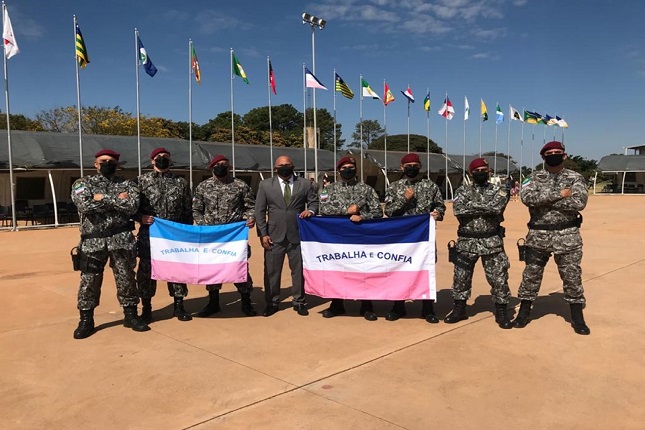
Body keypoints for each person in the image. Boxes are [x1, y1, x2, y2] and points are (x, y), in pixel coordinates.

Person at [70, 149, 149, 339]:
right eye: (103, 160)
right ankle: (86, 320)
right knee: (89, 281)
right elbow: (84, 206)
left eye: (111, 161)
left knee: (126, 278)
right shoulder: (82, 183)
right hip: (93, 240)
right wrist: (116, 200)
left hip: (121, 239)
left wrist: (101, 198)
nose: (107, 163)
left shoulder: (128, 184)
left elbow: (131, 207)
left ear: (117, 165)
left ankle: (130, 315)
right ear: (96, 164)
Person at [513, 141, 590, 335]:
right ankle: (523, 312)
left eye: (558, 152)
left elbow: (579, 202)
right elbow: (528, 198)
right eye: (550, 153)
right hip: (539, 235)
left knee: (572, 276)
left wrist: (545, 201)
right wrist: (561, 195)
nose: (554, 155)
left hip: (568, 235)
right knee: (531, 275)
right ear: (543, 157)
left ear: (564, 156)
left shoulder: (575, 177)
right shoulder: (532, 177)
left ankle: (577, 317)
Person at [444, 158, 513, 329]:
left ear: (489, 171)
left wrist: (473, 206)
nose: (480, 172)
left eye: (484, 169)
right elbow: (458, 209)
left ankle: (502, 311)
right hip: (467, 240)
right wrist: (485, 206)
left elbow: (497, 208)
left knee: (498, 277)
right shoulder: (462, 189)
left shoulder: (501, 190)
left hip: (491, 240)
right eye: (477, 170)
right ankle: (459, 309)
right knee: (461, 277)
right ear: (470, 173)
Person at [319, 155, 383, 321]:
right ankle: (337, 303)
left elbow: (378, 212)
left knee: (363, 270)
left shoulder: (366, 189)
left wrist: (363, 216)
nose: (348, 170)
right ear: (339, 170)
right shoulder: (328, 189)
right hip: (337, 238)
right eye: (344, 168)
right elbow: (324, 209)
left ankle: (366, 305)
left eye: (351, 167)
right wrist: (346, 210)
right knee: (338, 270)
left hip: (361, 238)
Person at [192, 155, 257, 317]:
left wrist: (250, 218)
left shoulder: (240, 185)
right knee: (212, 270)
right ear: (212, 167)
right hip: (211, 237)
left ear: (230, 168)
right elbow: (196, 210)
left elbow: (250, 206)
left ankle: (246, 302)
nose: (222, 167)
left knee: (239, 268)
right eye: (218, 164)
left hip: (233, 237)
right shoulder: (203, 187)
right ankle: (213, 303)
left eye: (225, 165)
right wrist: (202, 225)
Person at [383, 153, 445, 323]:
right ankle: (398, 305)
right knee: (399, 270)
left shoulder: (430, 186)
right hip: (401, 238)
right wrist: (404, 199)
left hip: (423, 238)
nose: (412, 168)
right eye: (408, 165)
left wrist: (437, 213)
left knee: (425, 270)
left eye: (415, 165)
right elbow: (388, 211)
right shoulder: (394, 187)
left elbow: (440, 206)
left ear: (420, 166)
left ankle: (427, 307)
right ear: (402, 167)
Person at [255, 155, 319, 317]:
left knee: (298, 270)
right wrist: (263, 234)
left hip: (297, 234)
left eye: (287, 164)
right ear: (275, 168)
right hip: (273, 235)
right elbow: (260, 211)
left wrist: (310, 211)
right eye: (281, 165)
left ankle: (299, 301)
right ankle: (272, 302)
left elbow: (314, 202)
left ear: (293, 166)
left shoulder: (304, 184)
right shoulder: (265, 185)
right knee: (272, 271)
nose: (285, 167)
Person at [135, 147, 193, 323]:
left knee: (176, 270)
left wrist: (186, 232)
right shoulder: (140, 182)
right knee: (146, 272)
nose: (162, 159)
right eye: (159, 157)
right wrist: (140, 218)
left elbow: (187, 209)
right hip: (150, 235)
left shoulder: (180, 182)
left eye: (166, 157)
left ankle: (179, 306)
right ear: (152, 161)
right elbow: (131, 208)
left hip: (174, 235)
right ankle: (146, 308)